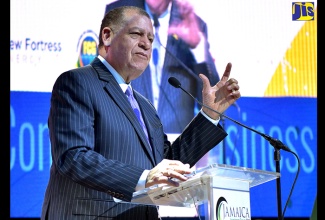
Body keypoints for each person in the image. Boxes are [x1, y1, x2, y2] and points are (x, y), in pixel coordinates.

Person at [41, 6, 240, 220]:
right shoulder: (77, 82)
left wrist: (209, 115)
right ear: (107, 36)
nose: (146, 44)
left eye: (151, 39)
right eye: (136, 34)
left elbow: (165, 164)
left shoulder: (144, 105)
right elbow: (73, 157)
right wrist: (145, 178)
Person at [105, 0, 221, 133]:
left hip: (176, 144)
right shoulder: (117, 13)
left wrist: (198, 49)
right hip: (125, 136)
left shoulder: (193, 24)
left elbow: (213, 101)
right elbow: (104, 77)